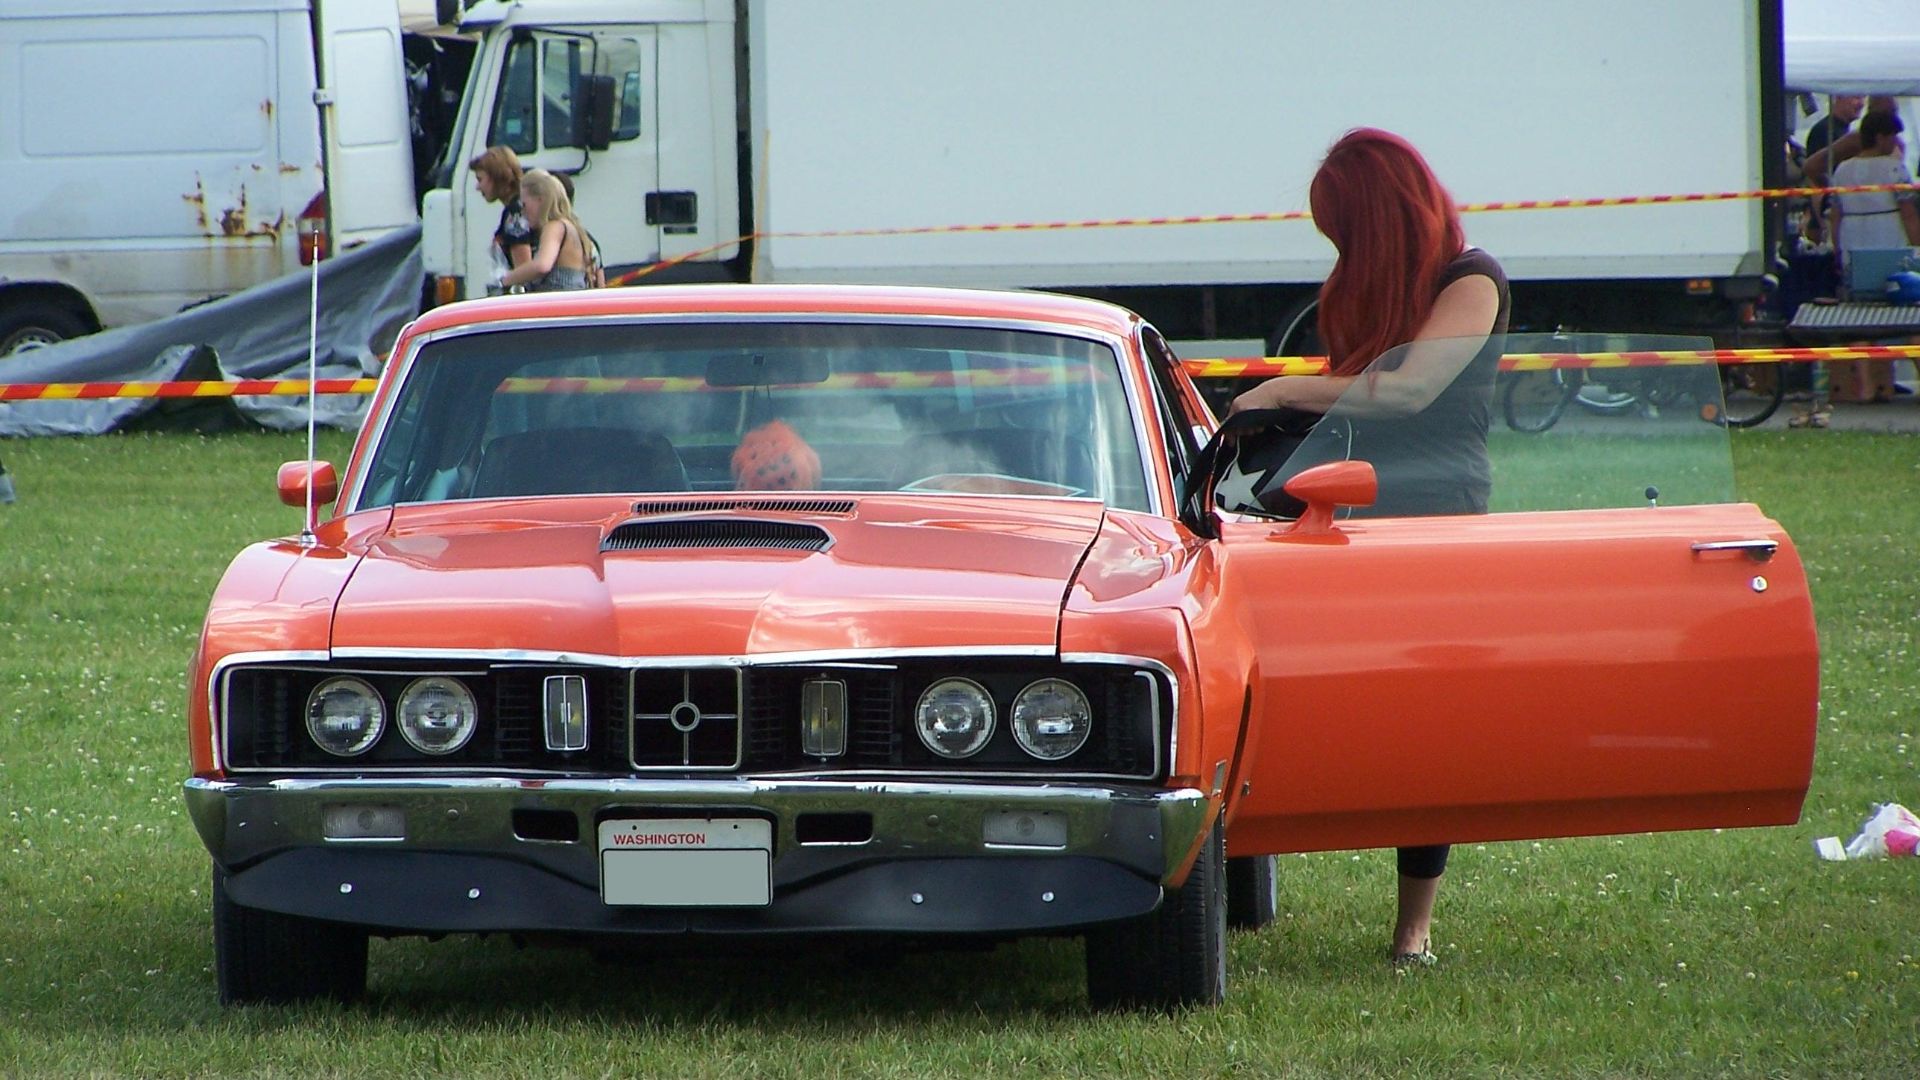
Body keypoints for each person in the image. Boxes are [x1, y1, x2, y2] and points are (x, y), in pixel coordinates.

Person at [1229, 128, 1509, 967]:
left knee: (1431, 719)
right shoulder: (1365, 289)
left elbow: (1413, 388)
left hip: (1434, 520)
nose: (1339, 251)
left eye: (1346, 231)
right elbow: (1359, 388)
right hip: (1341, 502)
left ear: (1378, 220)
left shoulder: (1473, 280)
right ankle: (1243, 874)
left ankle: (1412, 933)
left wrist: (1278, 387)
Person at [498, 169, 598, 293]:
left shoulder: (554, 227)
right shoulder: (570, 226)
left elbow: (542, 265)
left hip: (559, 305)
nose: (523, 212)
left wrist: (505, 279)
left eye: (524, 205)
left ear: (540, 200)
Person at [469, 145, 534, 294]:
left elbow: (524, 270)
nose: (478, 187)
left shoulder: (515, 214)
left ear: (497, 177)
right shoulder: (515, 208)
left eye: (481, 179)